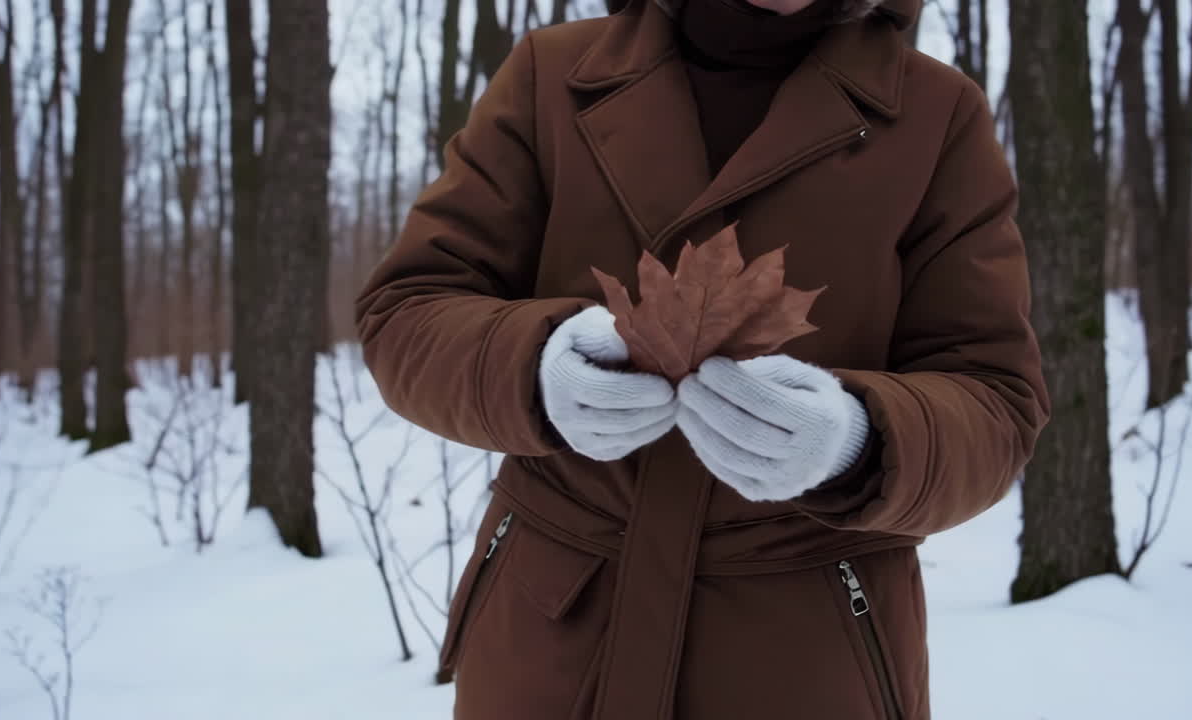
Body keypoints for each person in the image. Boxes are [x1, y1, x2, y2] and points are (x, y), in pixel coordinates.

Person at [355, 0, 1050, 717]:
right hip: (548, 646)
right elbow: (406, 310)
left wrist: (859, 441)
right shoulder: (551, 75)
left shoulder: (938, 116)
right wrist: (534, 368)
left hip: (809, 658)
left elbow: (997, 399)